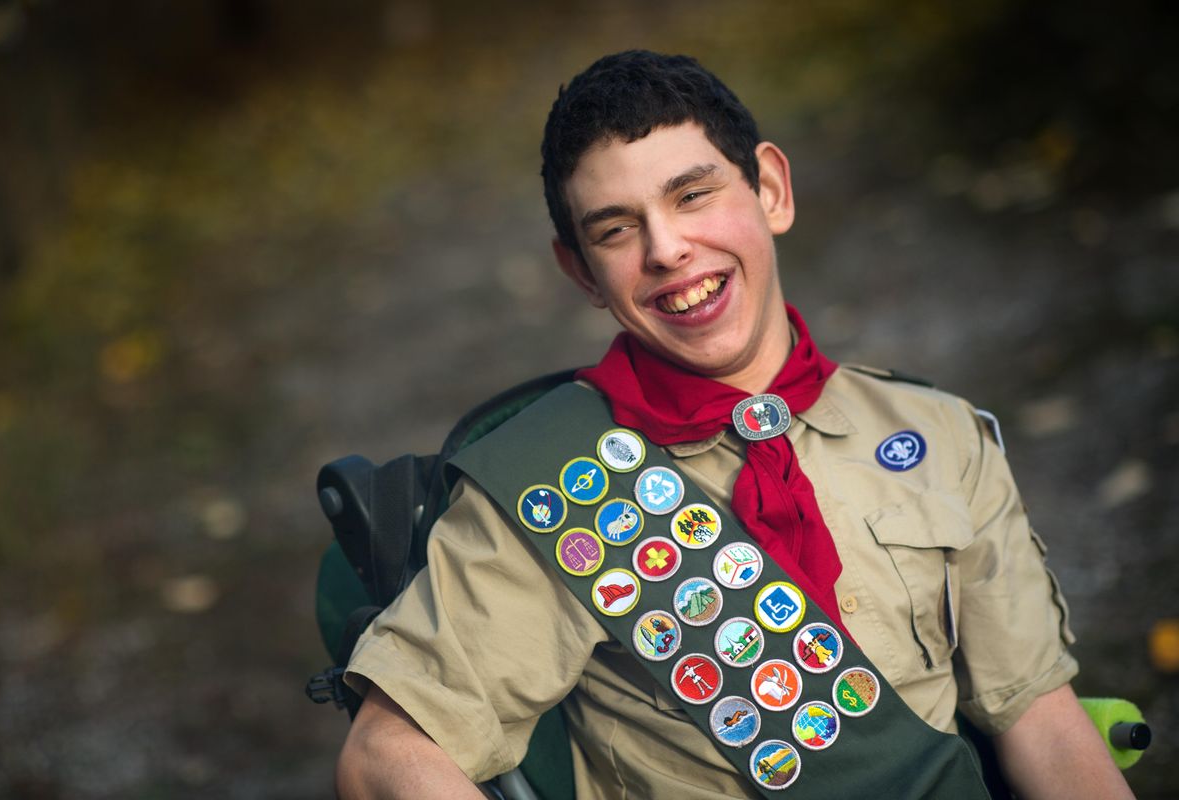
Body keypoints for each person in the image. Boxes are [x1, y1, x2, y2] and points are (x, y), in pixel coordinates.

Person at [336, 51, 1133, 799]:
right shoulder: (555, 482)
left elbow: (1041, 719)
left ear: (772, 190)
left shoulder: (938, 433)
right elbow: (388, 756)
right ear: (581, 271)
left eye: (693, 194)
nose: (668, 248)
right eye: (616, 229)